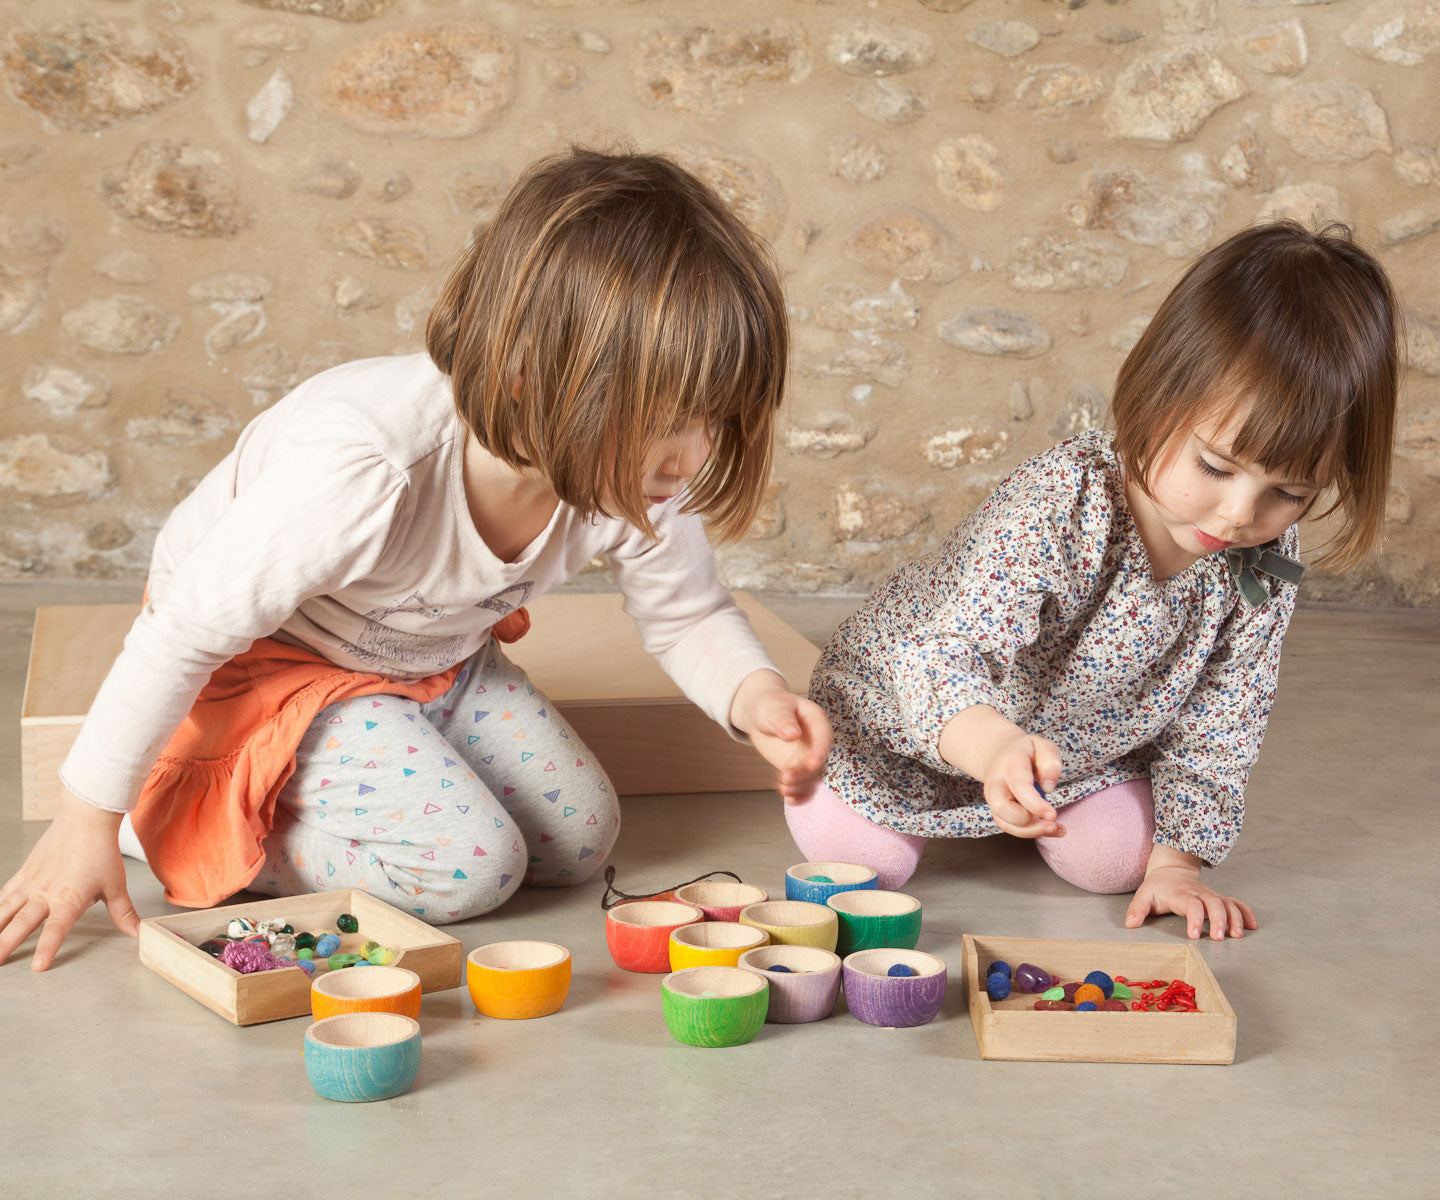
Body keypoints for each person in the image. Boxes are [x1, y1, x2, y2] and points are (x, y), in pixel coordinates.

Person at [0, 148, 832, 972]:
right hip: (276, 663)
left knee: (579, 840)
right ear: (527, 380)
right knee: (474, 867)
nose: (690, 458)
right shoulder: (367, 466)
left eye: (712, 420)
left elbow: (686, 610)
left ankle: (385, 749)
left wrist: (754, 695)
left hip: (435, 658)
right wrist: (84, 824)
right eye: (669, 420)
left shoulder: (632, 478)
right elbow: (181, 635)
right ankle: (178, 820)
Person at [798, 220, 1399, 940]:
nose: (1241, 514)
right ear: (1155, 395)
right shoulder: (1061, 503)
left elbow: (1223, 719)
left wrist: (1177, 865)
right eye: (1214, 467)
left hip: (1072, 749)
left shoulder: (1262, 562)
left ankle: (1024, 807)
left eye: (1290, 492)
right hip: (920, 721)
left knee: (1119, 861)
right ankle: (959, 795)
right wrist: (992, 752)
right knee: (860, 864)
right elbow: (945, 655)